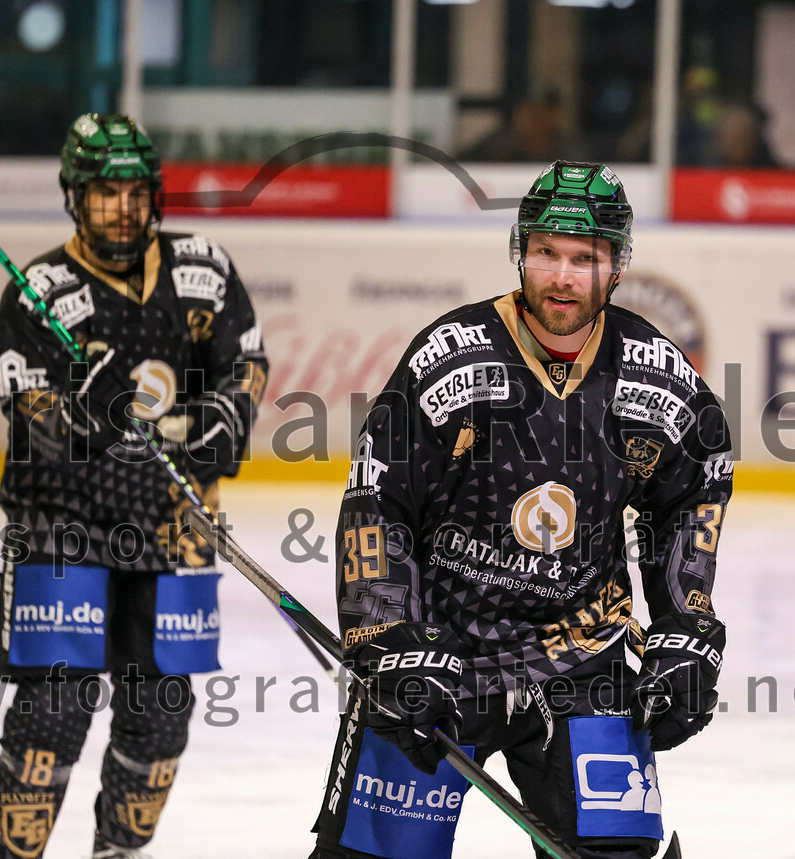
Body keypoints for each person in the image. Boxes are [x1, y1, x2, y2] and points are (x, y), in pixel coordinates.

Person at [310, 161, 732, 858]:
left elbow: (693, 492)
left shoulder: (657, 378)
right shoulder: (449, 360)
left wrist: (686, 628)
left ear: (618, 265)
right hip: (442, 652)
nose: (561, 277)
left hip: (583, 653)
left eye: (584, 259)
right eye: (545, 253)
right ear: (520, 251)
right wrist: (387, 638)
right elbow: (378, 501)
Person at [0, 113, 267, 858]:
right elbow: (33, 417)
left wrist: (220, 421)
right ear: (74, 197)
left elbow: (244, 364)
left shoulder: (203, 269)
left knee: (161, 718)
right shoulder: (38, 293)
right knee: (52, 712)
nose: (123, 207)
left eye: (136, 191)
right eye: (105, 193)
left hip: (175, 523)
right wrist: (87, 415)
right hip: (62, 525)